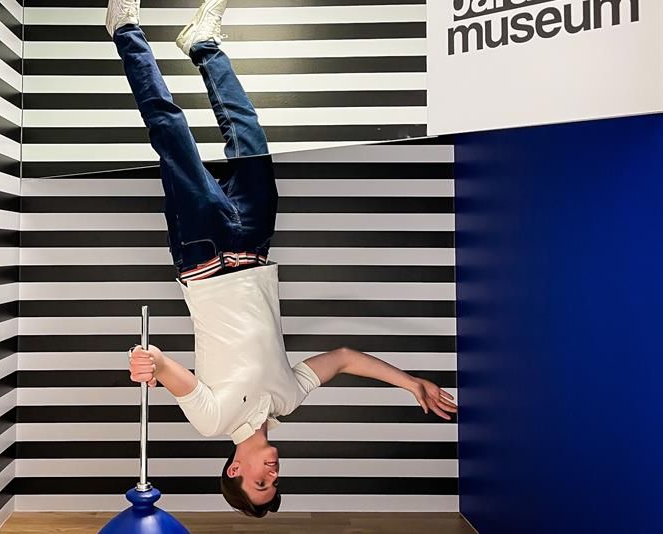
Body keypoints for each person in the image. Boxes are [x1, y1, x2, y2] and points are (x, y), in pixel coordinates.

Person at [106, 0, 458, 518]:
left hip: (203, 256)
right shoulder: (289, 398)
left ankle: (124, 30)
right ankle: (202, 44)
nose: (273, 473)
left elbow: (160, 364)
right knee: (247, 132)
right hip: (253, 245)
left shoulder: (211, 419)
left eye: (261, 483)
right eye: (276, 482)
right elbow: (344, 357)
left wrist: (146, 362)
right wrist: (412, 383)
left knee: (171, 131)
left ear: (235, 471)